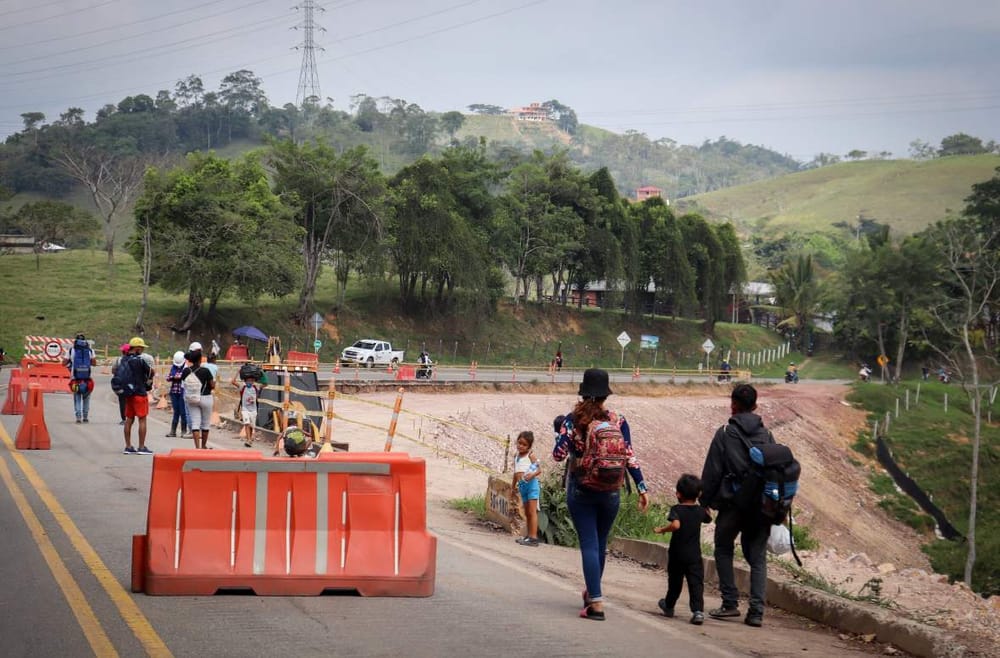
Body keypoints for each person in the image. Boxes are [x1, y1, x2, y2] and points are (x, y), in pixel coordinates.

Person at [552, 368, 649, 621]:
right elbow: (629, 455)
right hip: (611, 491)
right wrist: (641, 488)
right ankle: (592, 592)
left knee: (589, 544)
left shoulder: (572, 420)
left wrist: (561, 434)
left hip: (582, 489)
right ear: (605, 395)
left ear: (583, 394)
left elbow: (558, 455)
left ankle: (596, 603)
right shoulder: (618, 420)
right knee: (601, 542)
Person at [700, 383, 774, 628]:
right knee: (758, 558)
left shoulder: (725, 432)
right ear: (755, 406)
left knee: (723, 547)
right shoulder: (767, 434)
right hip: (761, 507)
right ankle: (756, 612)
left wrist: (705, 502)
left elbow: (713, 470)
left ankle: (730, 603)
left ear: (733, 404)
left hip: (732, 505)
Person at [654, 474, 712, 626]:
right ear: (698, 494)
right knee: (696, 583)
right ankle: (698, 611)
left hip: (677, 554)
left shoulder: (676, 509)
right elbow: (708, 518)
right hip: (694, 555)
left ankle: (669, 606)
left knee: (675, 582)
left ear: (678, 494)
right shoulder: (700, 511)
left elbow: (676, 525)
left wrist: (662, 529)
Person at [122, 337, 155, 455]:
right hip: (139, 393)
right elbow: (151, 372)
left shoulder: (123, 360)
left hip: (128, 394)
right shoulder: (140, 361)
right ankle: (141, 447)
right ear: (137, 348)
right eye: (141, 348)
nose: (142, 351)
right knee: (142, 419)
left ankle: (128, 446)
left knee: (129, 419)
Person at [512, 430, 542, 547]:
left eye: (524, 444)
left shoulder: (531, 455)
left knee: (532, 511)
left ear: (529, 446)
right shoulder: (516, 456)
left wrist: (532, 475)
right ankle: (529, 536)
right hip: (522, 486)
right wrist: (513, 486)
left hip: (531, 486)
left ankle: (533, 537)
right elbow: (515, 473)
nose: (521, 446)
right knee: (527, 512)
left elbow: (539, 470)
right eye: (519, 443)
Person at [181, 351, 215, 449]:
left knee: (195, 422)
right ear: (200, 359)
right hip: (206, 397)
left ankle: (197, 447)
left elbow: (184, 383)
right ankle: (203, 445)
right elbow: (212, 385)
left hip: (192, 399)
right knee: (205, 423)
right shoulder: (205, 370)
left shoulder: (186, 371)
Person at [64, 333, 96, 423]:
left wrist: (71, 362)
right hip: (87, 377)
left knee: (77, 396)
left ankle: (78, 417)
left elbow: (64, 363)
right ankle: (85, 416)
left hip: (75, 378)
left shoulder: (71, 350)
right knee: (86, 397)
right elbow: (94, 363)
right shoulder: (90, 350)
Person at [232, 370, 263, 448]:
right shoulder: (242, 387)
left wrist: (262, 373)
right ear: (245, 381)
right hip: (245, 409)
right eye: (248, 380)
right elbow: (233, 381)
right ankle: (248, 440)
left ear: (254, 381)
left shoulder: (256, 387)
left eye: (251, 380)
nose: (250, 382)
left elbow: (266, 384)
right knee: (247, 423)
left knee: (252, 426)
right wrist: (238, 372)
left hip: (253, 410)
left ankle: (249, 438)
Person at [165, 351, 189, 438]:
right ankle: (173, 431)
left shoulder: (186, 368)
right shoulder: (173, 367)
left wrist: (176, 377)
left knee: (183, 412)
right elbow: (168, 377)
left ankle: (183, 430)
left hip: (183, 393)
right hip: (174, 392)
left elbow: (185, 377)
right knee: (176, 412)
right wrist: (174, 377)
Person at [111, 343, 130, 425]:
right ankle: (130, 418)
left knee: (122, 402)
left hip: (120, 385)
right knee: (129, 401)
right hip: (130, 384)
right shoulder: (134, 360)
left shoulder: (118, 360)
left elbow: (113, 371)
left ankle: (123, 419)